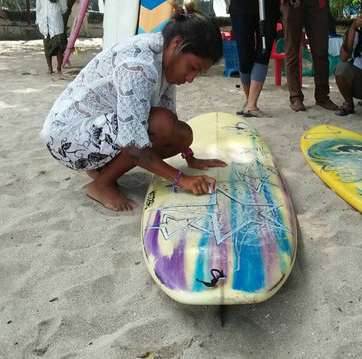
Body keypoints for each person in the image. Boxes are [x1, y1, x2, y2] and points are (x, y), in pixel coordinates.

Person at [41, 3, 227, 212]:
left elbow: (170, 119)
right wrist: (181, 179)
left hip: (98, 127)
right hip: (66, 135)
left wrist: (190, 157)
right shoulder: (139, 65)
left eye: (198, 73)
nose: (191, 78)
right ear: (177, 43)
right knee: (161, 126)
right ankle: (100, 184)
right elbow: (134, 144)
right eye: (192, 68)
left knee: (181, 134)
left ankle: (101, 170)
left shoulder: (164, 57)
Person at [281, 0, 338, 112]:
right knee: (292, 51)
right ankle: (295, 97)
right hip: (291, 4)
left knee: (321, 51)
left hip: (318, 3)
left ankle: (322, 97)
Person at [229, 0, 279, 117]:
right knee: (244, 55)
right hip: (240, 8)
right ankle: (248, 100)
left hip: (268, 8)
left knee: (263, 53)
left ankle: (252, 104)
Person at [36, 0, 68, 75]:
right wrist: (38, 21)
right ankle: (54, 68)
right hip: (46, 20)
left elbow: (64, 7)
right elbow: (38, 8)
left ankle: (55, 68)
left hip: (55, 21)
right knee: (50, 46)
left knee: (57, 45)